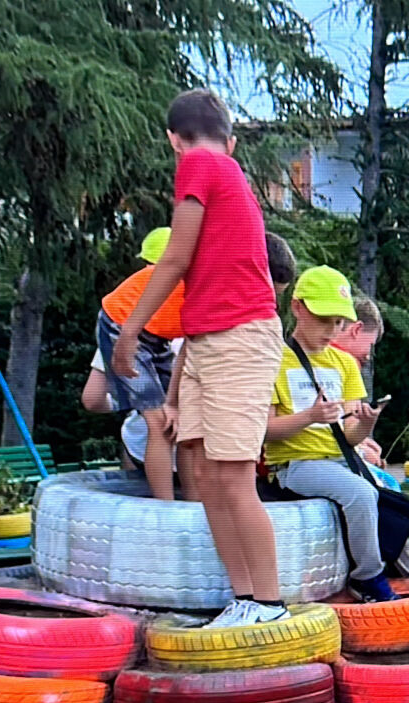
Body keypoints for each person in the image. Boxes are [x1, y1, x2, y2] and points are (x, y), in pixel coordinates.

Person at [110, 88, 287, 629]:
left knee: (231, 476)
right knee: (204, 474)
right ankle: (245, 597)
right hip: (209, 338)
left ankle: (270, 603)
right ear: (231, 141)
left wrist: (129, 331)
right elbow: (198, 274)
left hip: (239, 337)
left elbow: (176, 257)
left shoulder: (200, 163)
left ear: (173, 139)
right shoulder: (222, 167)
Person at [262, 266, 399, 602]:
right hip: (295, 463)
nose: (332, 330)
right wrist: (309, 417)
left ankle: (408, 578)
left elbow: (350, 435)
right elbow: (265, 431)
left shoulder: (345, 363)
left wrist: (366, 423)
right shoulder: (274, 359)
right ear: (297, 308)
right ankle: (367, 577)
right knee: (362, 494)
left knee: (393, 497)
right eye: (324, 320)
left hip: (340, 459)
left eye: (339, 322)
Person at [96, 227, 184, 500]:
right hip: (121, 326)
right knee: (159, 423)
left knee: (175, 423)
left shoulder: (203, 291)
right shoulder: (194, 285)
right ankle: (166, 507)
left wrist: (173, 402)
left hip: (156, 337)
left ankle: (190, 504)